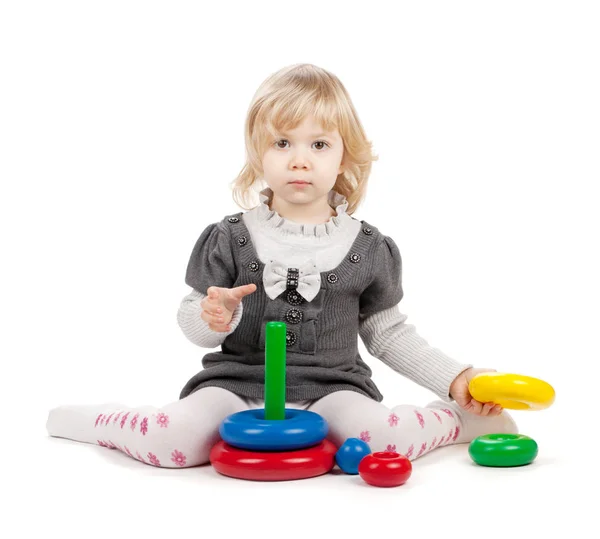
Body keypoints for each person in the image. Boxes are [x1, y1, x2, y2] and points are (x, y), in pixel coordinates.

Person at [46, 63, 517, 469]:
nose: (299, 160)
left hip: (334, 389)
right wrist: (213, 315)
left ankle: (454, 421)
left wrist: (456, 379)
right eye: (282, 143)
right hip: (235, 384)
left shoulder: (370, 248)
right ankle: (96, 421)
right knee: (174, 440)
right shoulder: (229, 236)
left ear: (344, 155)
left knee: (382, 440)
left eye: (318, 145)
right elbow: (193, 319)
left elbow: (388, 334)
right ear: (257, 152)